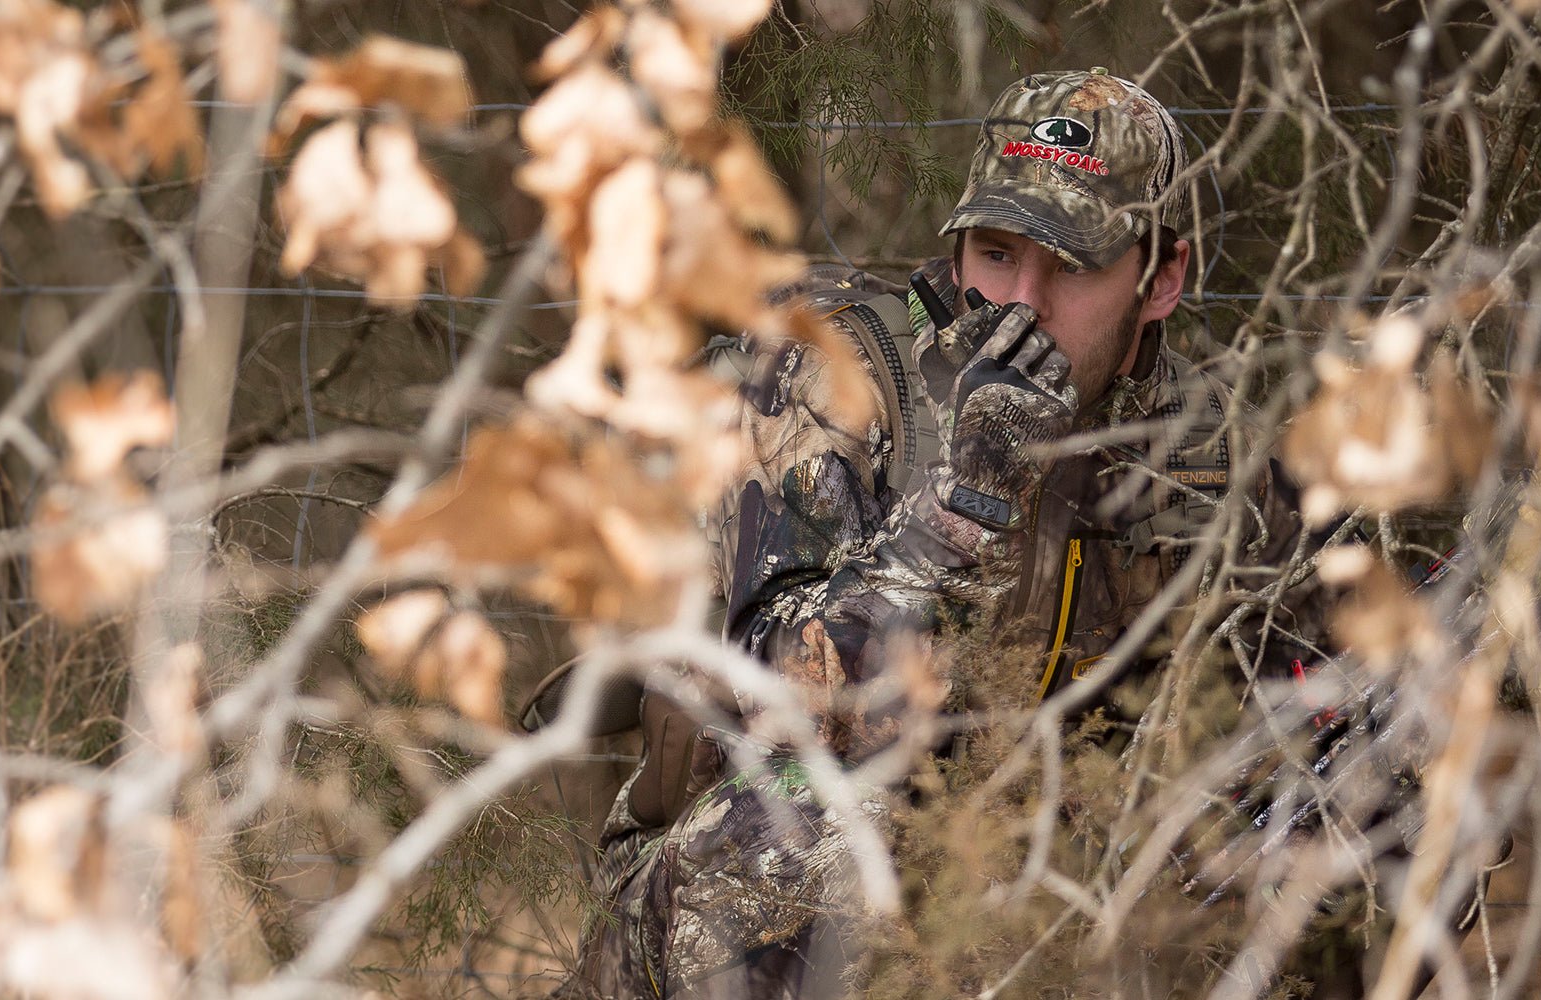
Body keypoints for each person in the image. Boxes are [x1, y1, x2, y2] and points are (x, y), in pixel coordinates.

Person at [555, 68, 1315, 999]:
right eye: (996, 254)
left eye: (1071, 268)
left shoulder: (1211, 451)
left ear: (1161, 280)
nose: (1020, 304)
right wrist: (966, 502)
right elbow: (782, 717)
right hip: (745, 882)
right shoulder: (833, 379)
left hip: (1051, 887)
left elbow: (1294, 710)